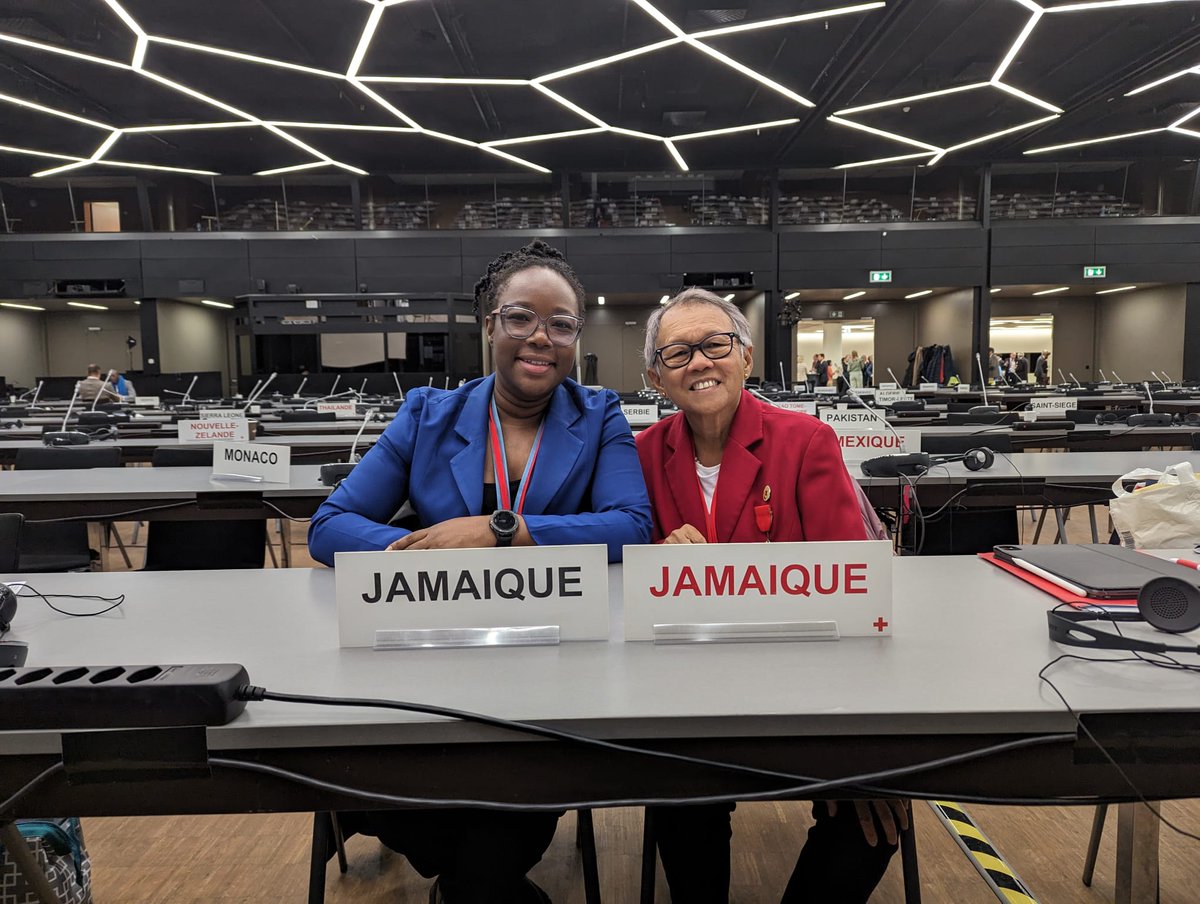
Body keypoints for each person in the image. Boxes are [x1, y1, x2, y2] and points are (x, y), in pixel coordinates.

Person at [308, 239, 652, 903]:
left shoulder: (599, 413)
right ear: (489, 323)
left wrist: (503, 531)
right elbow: (329, 526)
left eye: (560, 323)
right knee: (440, 834)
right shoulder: (427, 415)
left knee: (492, 848)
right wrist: (423, 555)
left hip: (550, 672)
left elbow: (630, 526)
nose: (540, 338)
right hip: (428, 659)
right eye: (521, 317)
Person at [635, 288, 906, 904]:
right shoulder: (642, 456)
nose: (699, 362)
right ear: (656, 374)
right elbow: (626, 578)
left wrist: (861, 735)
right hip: (689, 690)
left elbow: (854, 591)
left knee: (873, 817)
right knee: (680, 800)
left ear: (747, 355)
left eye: (715, 344)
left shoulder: (805, 441)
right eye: (677, 352)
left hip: (804, 680)